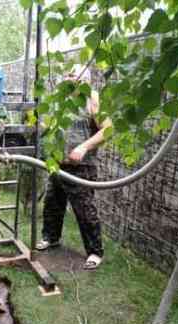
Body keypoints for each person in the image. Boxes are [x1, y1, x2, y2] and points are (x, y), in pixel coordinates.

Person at [37, 67, 111, 270]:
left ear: (85, 79)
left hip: (81, 168)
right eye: (67, 74)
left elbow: (108, 128)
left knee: (85, 211)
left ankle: (95, 252)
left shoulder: (92, 98)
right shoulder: (62, 100)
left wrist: (84, 146)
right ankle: (51, 238)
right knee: (52, 203)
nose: (69, 77)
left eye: (73, 74)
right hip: (58, 164)